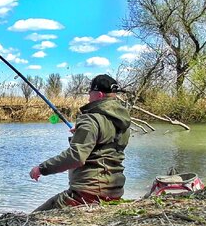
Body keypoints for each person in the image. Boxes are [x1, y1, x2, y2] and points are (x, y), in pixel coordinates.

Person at [29, 74, 131, 212]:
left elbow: (76, 157)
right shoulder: (122, 122)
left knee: (34, 218)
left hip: (87, 194)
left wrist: (41, 169)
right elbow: (105, 145)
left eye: (90, 93)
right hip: (115, 191)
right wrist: (82, 133)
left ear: (99, 95)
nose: (88, 97)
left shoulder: (90, 120)